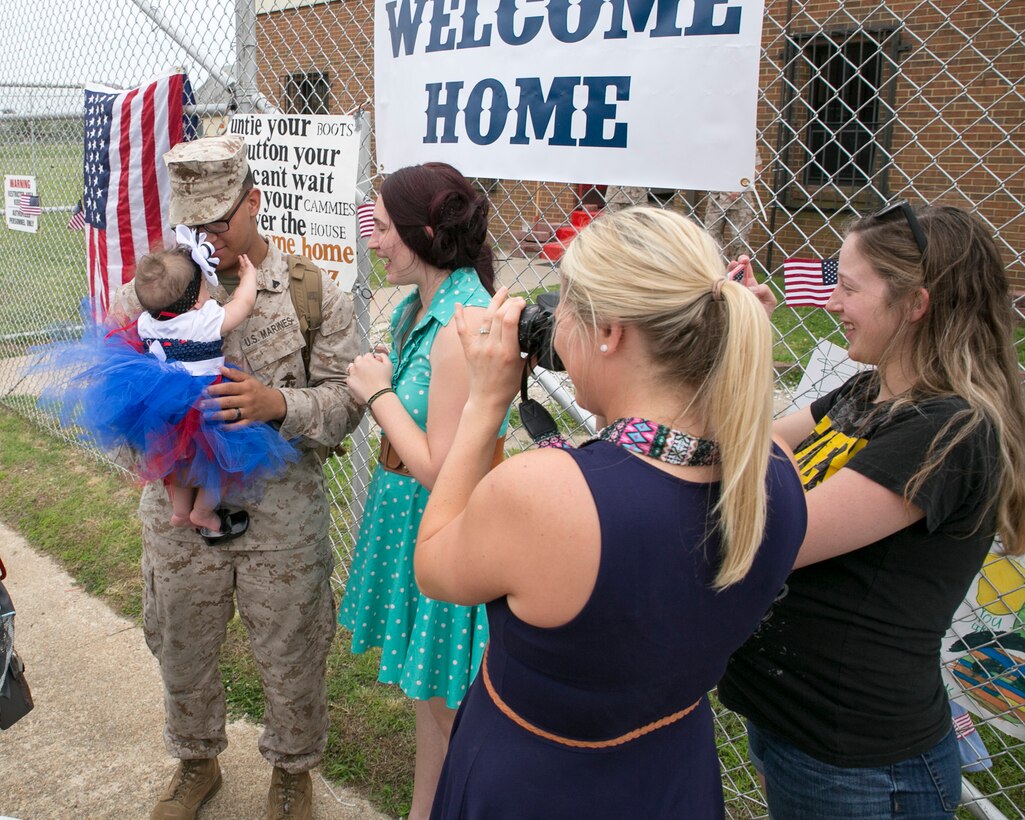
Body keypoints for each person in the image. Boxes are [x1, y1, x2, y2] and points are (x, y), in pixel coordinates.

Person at [413, 206, 808, 818]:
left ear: (610, 333)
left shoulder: (547, 495)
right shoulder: (776, 474)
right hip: (672, 771)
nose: (554, 327)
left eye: (565, 308)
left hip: (537, 781)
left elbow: (435, 567)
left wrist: (485, 403)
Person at [718, 202, 1025, 819]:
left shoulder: (948, 431)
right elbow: (756, 444)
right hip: (792, 724)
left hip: (858, 763)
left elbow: (773, 536)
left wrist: (732, 370)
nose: (831, 301)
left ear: (915, 304)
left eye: (850, 288)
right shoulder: (869, 391)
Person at [107, 134, 363, 820]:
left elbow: (347, 404)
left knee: (292, 651)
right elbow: (116, 396)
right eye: (192, 224)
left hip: (281, 519)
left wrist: (276, 404)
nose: (207, 238)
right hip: (181, 518)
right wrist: (155, 444)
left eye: (219, 221)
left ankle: (292, 774)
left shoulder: (311, 293)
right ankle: (196, 763)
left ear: (253, 202)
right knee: (180, 644)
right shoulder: (144, 292)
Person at [338, 162, 506, 820]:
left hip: (443, 527)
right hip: (409, 522)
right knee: (428, 697)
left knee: (452, 715)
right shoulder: (420, 309)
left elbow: (443, 469)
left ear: (424, 233)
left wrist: (378, 394)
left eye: (382, 228)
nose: (373, 241)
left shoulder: (463, 325)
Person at [116, 228, 297, 534]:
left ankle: (180, 511)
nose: (208, 294)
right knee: (217, 466)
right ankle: (202, 512)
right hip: (207, 406)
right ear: (196, 302)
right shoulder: (204, 320)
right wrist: (249, 278)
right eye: (204, 288)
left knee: (177, 462)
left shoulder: (146, 323)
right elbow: (242, 304)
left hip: (165, 408)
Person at [703, 147, 763, 260]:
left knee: (739, 240)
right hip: (716, 199)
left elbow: (758, 168)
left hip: (740, 201)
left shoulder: (747, 145)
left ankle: (738, 269)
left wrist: (741, 186)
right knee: (711, 237)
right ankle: (717, 266)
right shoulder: (714, 145)